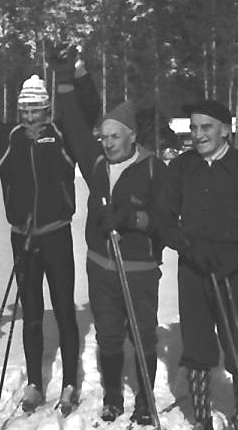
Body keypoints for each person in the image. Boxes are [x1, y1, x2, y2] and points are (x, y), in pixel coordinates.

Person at [155, 99, 238, 430]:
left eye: (206, 127)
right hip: (195, 266)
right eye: (195, 128)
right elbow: (163, 217)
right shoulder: (183, 168)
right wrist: (185, 244)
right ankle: (201, 418)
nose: (199, 135)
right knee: (197, 342)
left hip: (237, 269)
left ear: (225, 130)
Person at [55, 51, 166, 425]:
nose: (107, 143)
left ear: (132, 135)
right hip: (101, 267)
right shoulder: (96, 164)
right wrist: (65, 78)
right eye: (103, 137)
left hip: (139, 269)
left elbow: (166, 220)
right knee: (108, 335)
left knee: (143, 335)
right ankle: (114, 397)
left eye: (115, 136)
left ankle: (146, 402)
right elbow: (72, 123)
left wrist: (134, 218)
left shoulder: (153, 169)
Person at [0, 64, 84, 416]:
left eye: (37, 109)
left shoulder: (63, 135)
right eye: (25, 110)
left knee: (64, 309)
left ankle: (70, 383)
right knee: (30, 311)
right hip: (22, 237)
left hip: (56, 235)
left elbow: (86, 110)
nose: (31, 116)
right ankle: (35, 381)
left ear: (47, 110)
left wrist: (73, 75)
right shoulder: (9, 138)